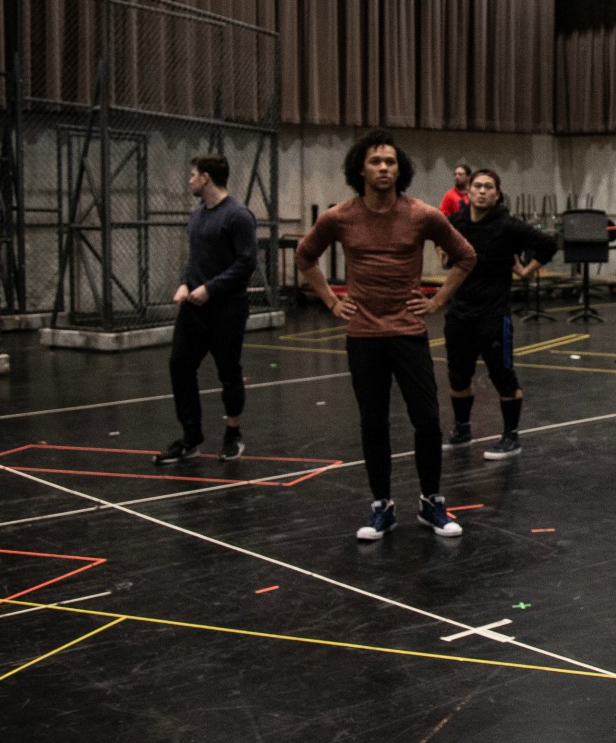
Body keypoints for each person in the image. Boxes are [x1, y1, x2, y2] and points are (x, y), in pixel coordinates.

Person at [295, 130, 477, 541]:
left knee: (427, 420)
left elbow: (466, 256)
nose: (383, 168)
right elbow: (305, 255)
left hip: (408, 332)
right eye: (376, 161)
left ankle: (432, 502)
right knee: (373, 423)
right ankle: (382, 506)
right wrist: (330, 300)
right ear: (361, 167)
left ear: (400, 170)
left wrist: (436, 301)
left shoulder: (422, 214)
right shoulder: (339, 216)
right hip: (363, 335)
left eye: (390, 162)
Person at [443, 168, 558, 460]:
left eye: (488, 187)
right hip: (459, 313)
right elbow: (439, 241)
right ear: (468, 191)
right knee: (458, 377)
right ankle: (462, 429)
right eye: (477, 186)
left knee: (503, 376)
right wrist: (444, 256)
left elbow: (548, 244)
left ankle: (511, 437)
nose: (482, 191)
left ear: (497, 193)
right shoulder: (456, 222)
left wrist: (525, 271)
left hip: (493, 315)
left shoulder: (507, 225)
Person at [154, 155, 260, 465]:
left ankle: (232, 436)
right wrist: (186, 284)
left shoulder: (238, 216)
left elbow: (246, 263)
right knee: (179, 365)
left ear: (206, 179)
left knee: (228, 371)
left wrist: (210, 288)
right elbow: (196, 260)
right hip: (194, 309)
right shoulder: (197, 216)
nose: (189, 180)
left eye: (193, 175)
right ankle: (191, 439)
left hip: (227, 309)